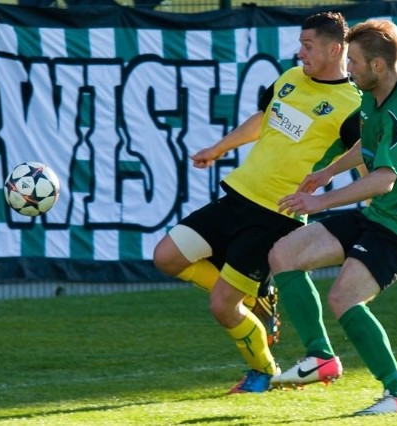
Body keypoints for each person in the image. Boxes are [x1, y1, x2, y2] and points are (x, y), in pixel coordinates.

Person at [152, 11, 361, 393]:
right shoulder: (290, 79)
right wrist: (219, 148)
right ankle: (256, 296)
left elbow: (365, 157)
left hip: (276, 215)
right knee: (166, 256)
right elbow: (264, 119)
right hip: (237, 197)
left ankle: (262, 373)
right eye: (301, 44)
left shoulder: (351, 105)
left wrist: (356, 196)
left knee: (221, 306)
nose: (300, 53)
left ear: (335, 49)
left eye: (308, 45)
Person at [268, 19, 397, 415]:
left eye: (356, 63)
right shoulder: (375, 95)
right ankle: (320, 358)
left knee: (344, 297)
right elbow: (368, 141)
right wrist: (329, 171)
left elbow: (383, 179)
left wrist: (320, 202)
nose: (348, 69)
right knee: (284, 256)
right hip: (378, 216)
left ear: (378, 66)